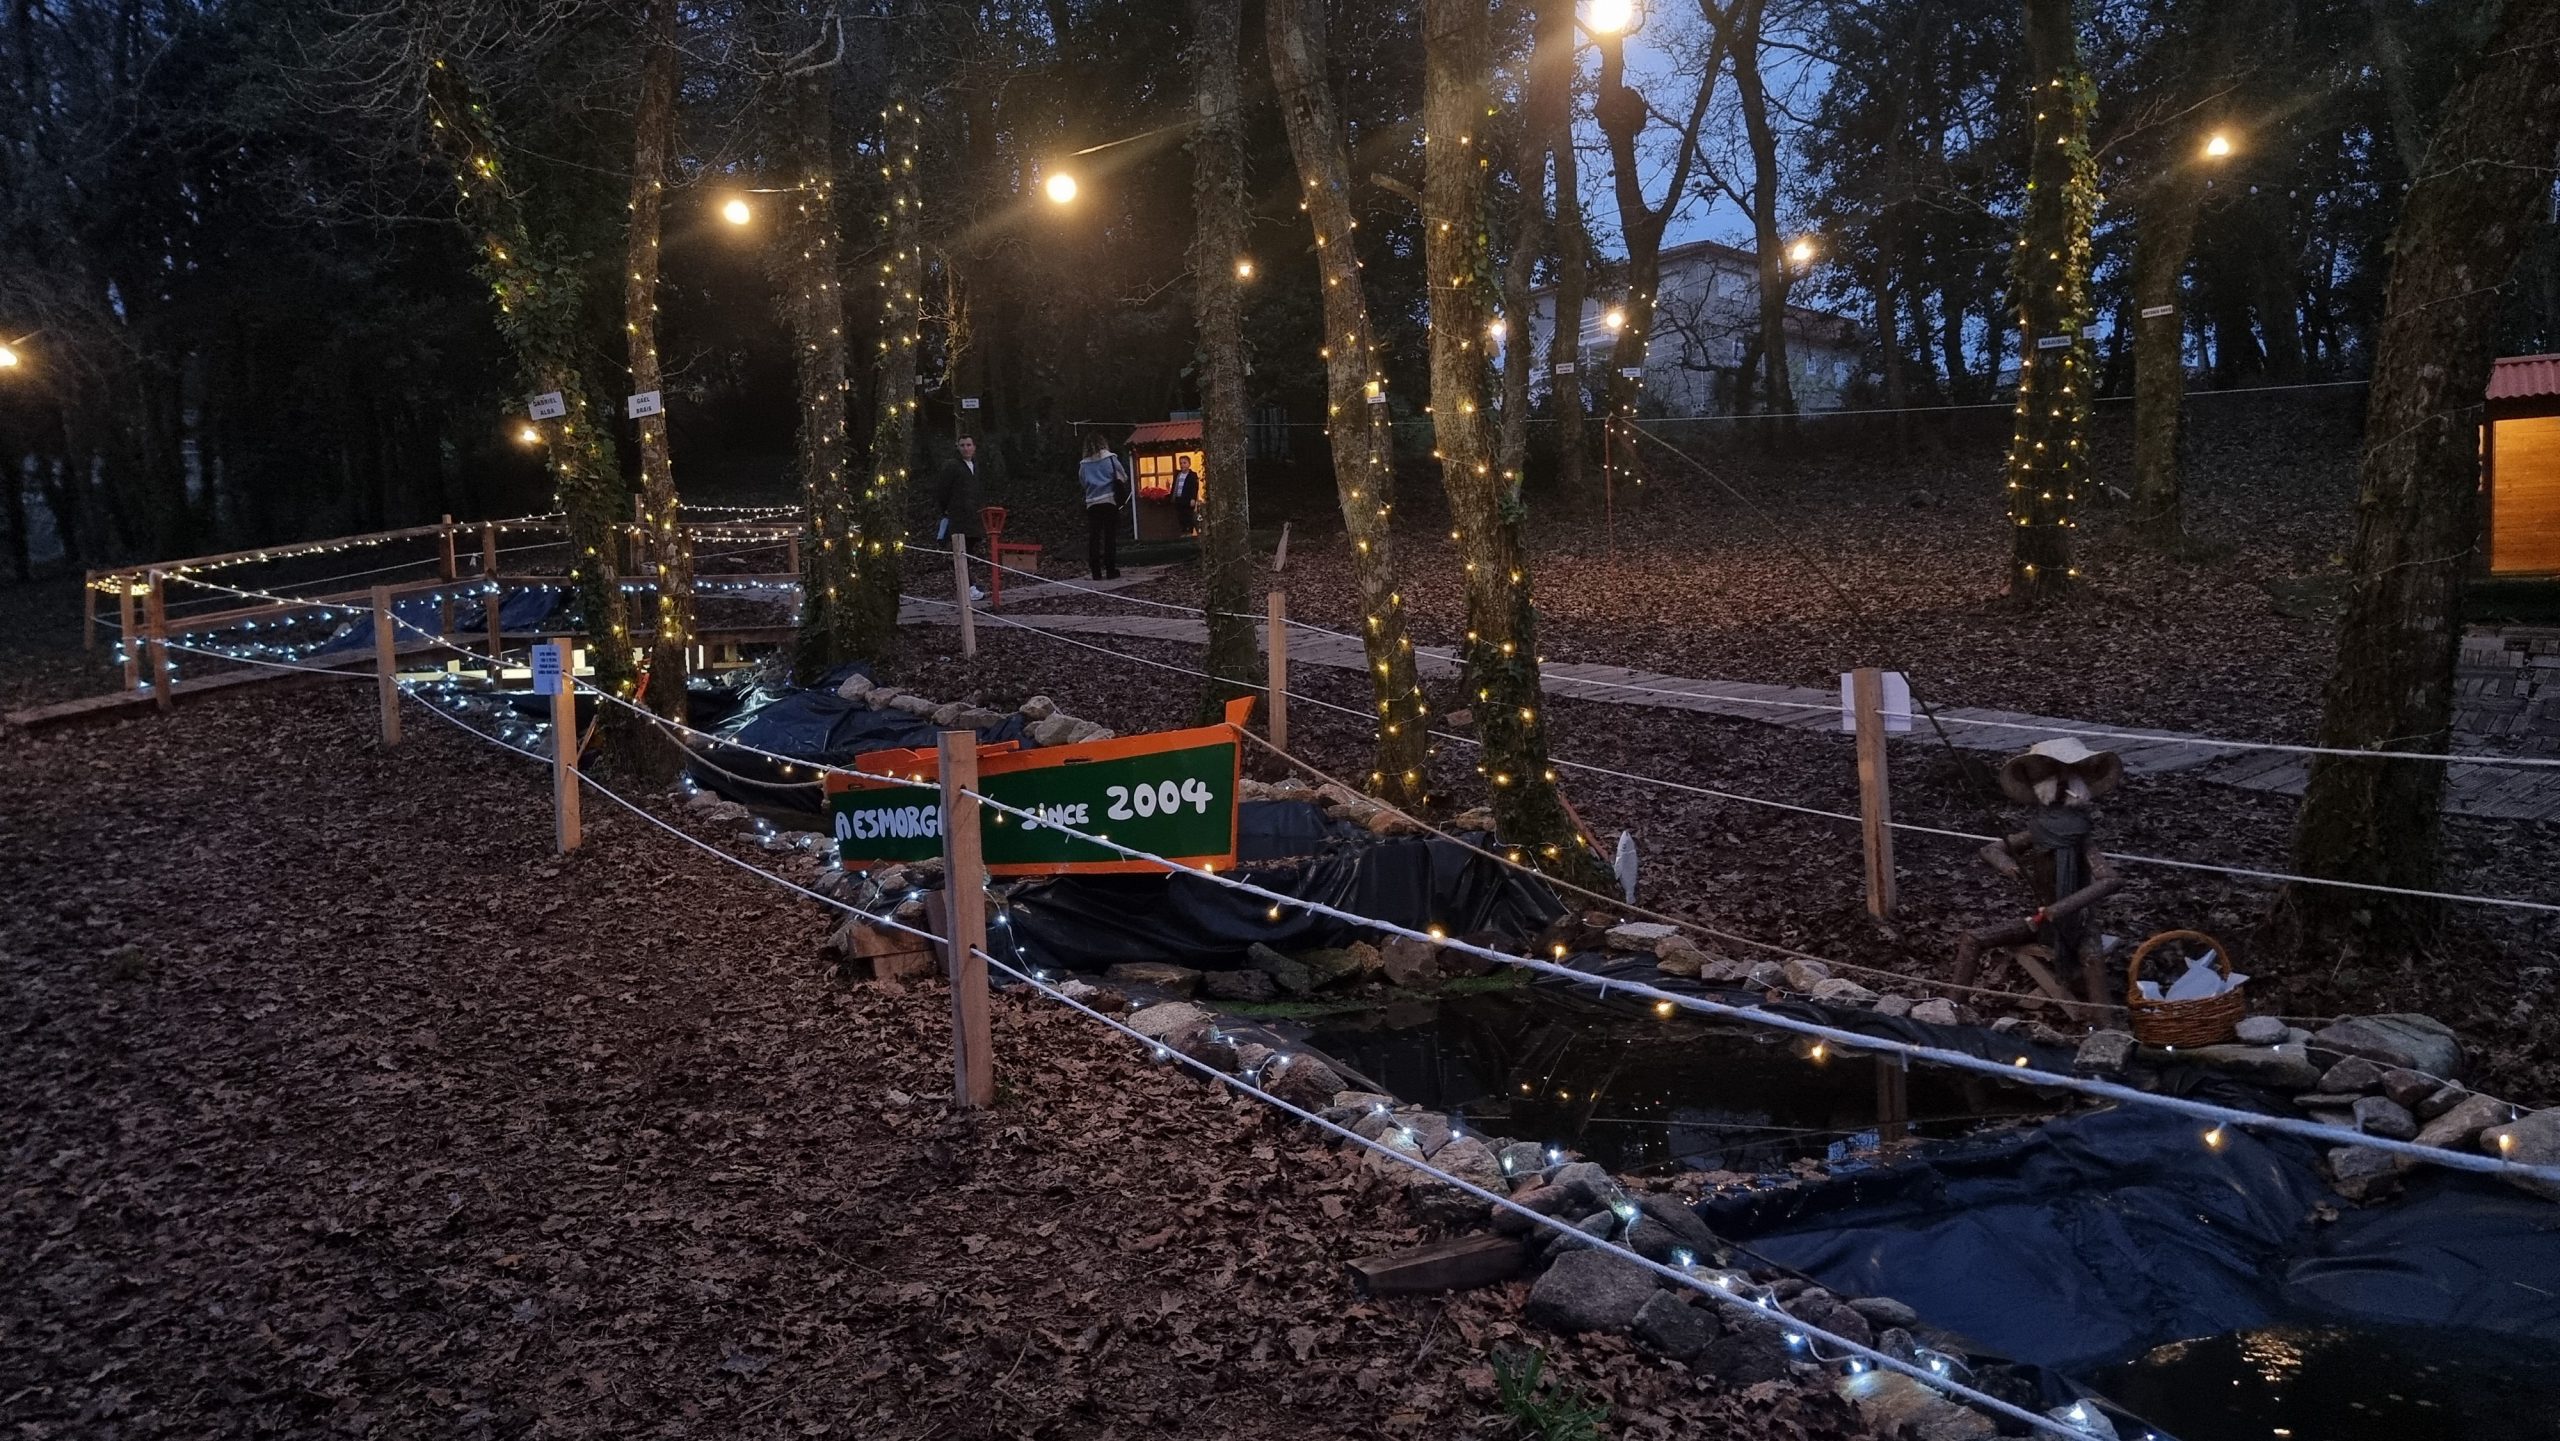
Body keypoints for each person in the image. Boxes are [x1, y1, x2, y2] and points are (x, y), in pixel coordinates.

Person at [933, 435, 988, 601]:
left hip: (974, 517)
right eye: (962, 445)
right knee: (961, 552)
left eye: (969, 445)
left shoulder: (975, 466)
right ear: (957, 447)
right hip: (958, 517)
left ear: (974, 447)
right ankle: (968, 587)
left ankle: (969, 585)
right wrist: (946, 511)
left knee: (969, 552)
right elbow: (942, 491)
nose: (966, 448)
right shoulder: (952, 466)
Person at [1077, 432, 1127, 579]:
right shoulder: (1111, 459)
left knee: (1094, 537)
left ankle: (1095, 571)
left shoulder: (1084, 464)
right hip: (1109, 500)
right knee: (1109, 536)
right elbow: (1122, 476)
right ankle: (1111, 569)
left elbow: (1083, 482)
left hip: (1092, 503)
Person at [1170, 457, 1200, 535]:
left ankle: (1189, 532)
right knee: (1180, 517)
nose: (1182, 465)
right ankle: (1183, 532)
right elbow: (1174, 486)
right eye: (1181, 463)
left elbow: (1195, 487)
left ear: (1189, 464)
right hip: (1178, 499)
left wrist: (1193, 498)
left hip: (1187, 499)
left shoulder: (1192, 475)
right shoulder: (1178, 474)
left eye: (1184, 463)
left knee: (1188, 516)